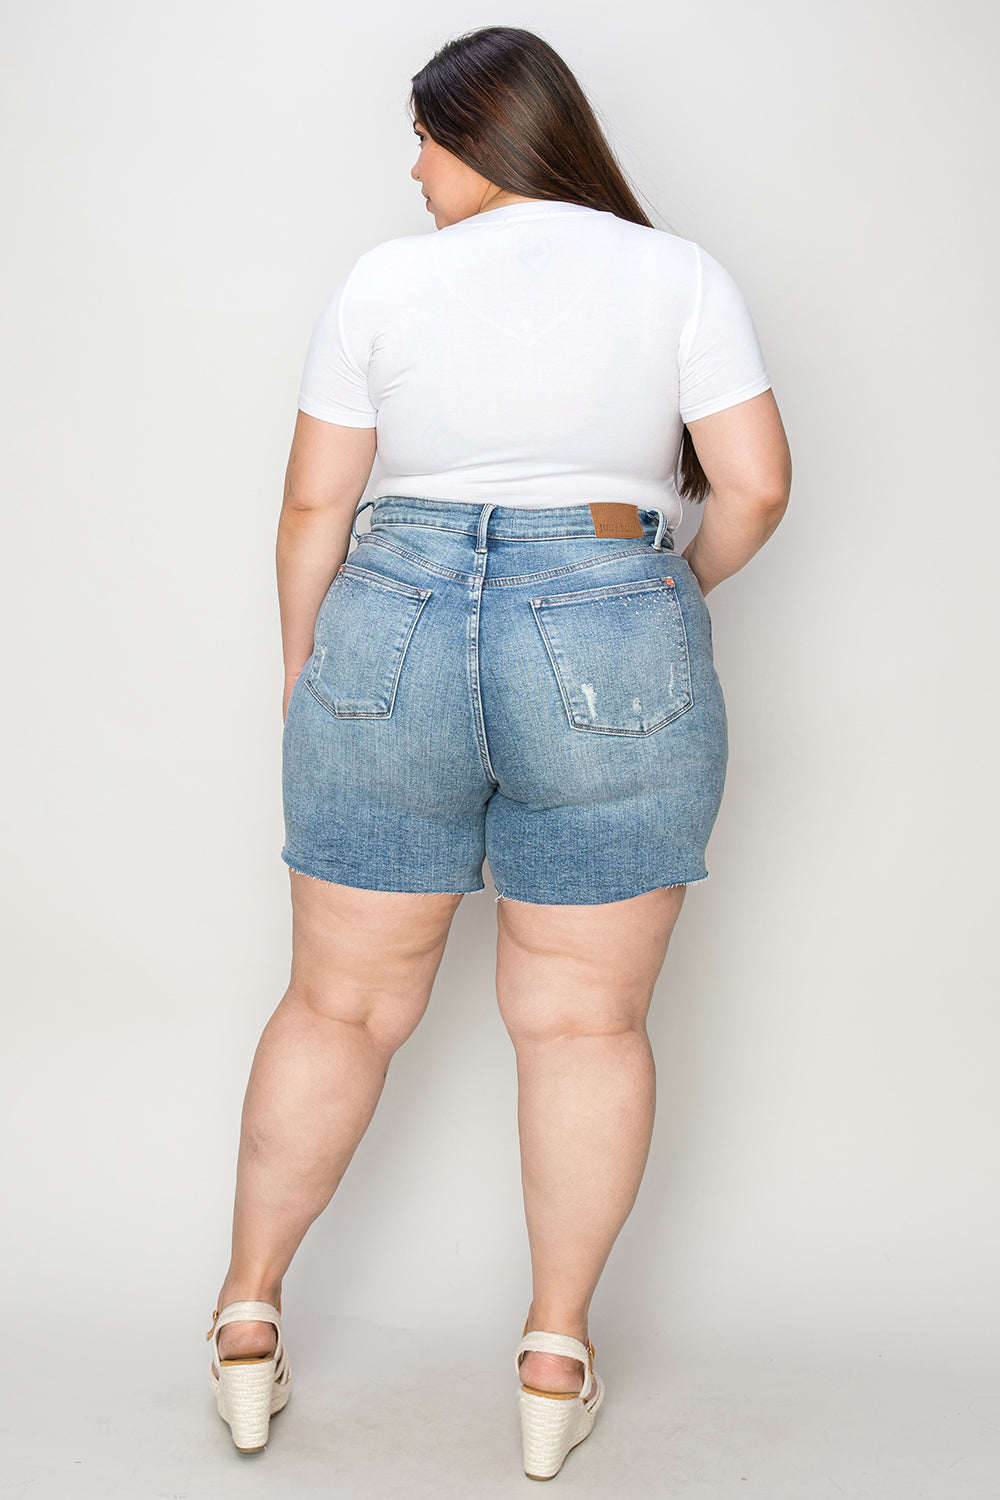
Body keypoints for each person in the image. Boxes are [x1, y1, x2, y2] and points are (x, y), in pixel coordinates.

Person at [205, 23, 792, 1481]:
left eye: (424, 139)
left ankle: (246, 1322)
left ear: (483, 134)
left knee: (337, 1005)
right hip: (610, 616)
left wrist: (306, 665)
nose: (412, 171)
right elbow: (759, 485)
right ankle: (552, 1358)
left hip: (384, 628)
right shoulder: (679, 274)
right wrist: (654, 601)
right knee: (585, 1022)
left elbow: (310, 509)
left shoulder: (383, 284)